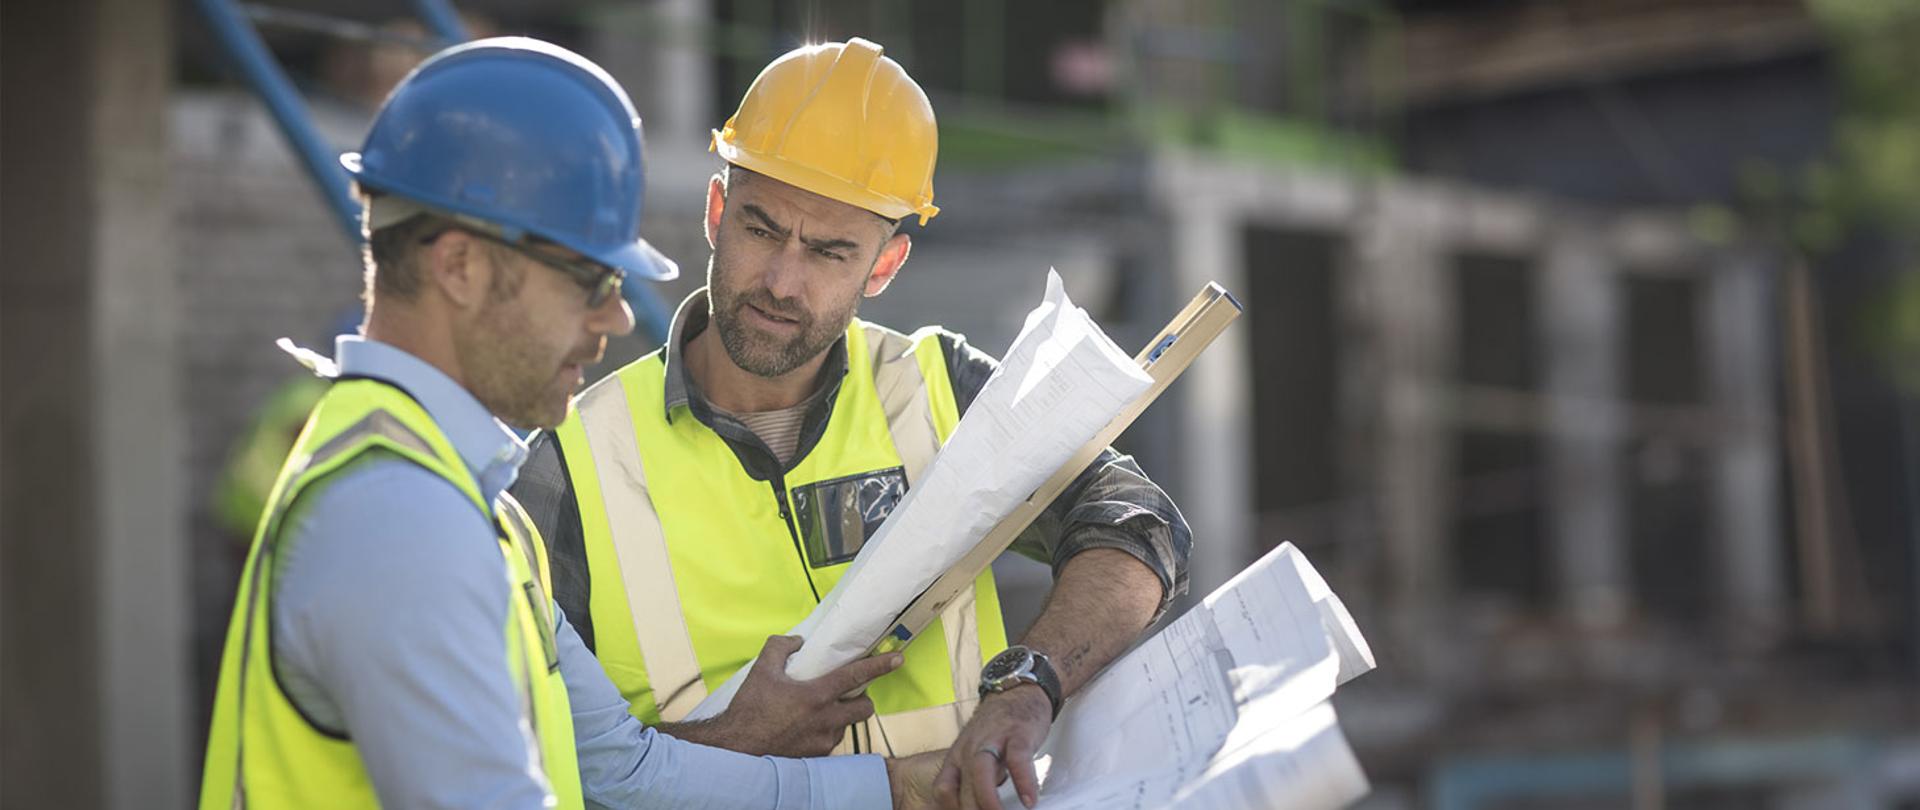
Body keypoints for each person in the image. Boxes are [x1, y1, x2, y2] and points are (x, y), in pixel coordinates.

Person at [197, 37, 938, 809]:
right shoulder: (401, 520)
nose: (615, 318)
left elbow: (626, 773)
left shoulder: (461, 497)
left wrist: (896, 791)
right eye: (590, 280)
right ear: (459, 267)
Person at [509, 37, 1192, 810]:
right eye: (762, 229)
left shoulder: (940, 390)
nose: (781, 281)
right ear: (716, 212)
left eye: (829, 253)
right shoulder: (568, 465)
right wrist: (738, 737)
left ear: (885, 265)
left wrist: (1031, 683)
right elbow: (528, 770)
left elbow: (1139, 523)